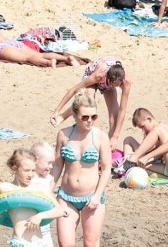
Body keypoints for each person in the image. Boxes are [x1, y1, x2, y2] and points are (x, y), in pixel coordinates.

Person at [50, 91, 111, 247]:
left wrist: (97, 196)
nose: (90, 121)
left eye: (94, 117)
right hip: (66, 197)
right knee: (65, 244)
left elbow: (105, 169)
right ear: (74, 116)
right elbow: (57, 165)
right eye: (85, 117)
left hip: (91, 198)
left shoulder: (101, 136)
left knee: (90, 243)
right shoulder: (63, 135)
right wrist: (48, 189)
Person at [0, 149, 65, 246]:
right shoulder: (4, 188)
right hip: (19, 243)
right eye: (26, 170)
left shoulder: (39, 188)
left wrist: (39, 216)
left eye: (33, 170)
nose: (30, 174)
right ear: (15, 169)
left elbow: (59, 210)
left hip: (39, 243)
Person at [51, 57, 131, 148]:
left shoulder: (126, 82)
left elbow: (122, 110)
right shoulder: (98, 75)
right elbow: (74, 90)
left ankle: (108, 147)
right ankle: (63, 116)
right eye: (112, 84)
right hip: (91, 74)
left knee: (114, 117)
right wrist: (57, 110)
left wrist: (115, 137)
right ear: (108, 78)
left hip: (110, 79)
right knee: (87, 103)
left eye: (117, 85)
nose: (114, 86)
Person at [0, 15, 79, 68]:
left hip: (0, 48)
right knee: (40, 54)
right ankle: (67, 58)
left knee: (26, 59)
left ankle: (49, 63)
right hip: (13, 43)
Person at [30, 141, 58, 247]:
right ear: (36, 160)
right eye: (48, 163)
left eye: (53, 163)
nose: (51, 167)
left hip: (44, 228)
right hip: (27, 226)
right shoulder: (27, 179)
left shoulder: (49, 179)